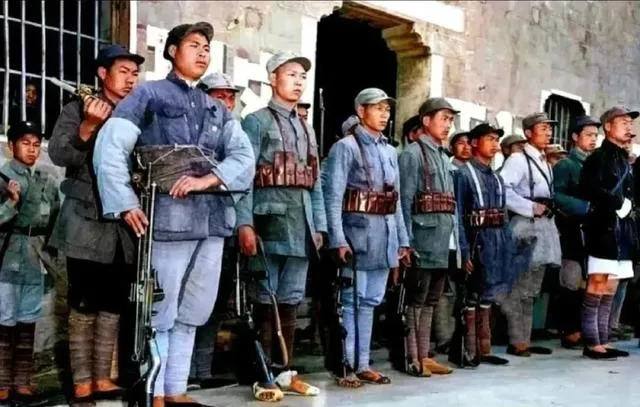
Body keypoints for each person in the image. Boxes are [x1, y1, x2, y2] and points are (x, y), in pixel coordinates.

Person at [91, 22, 254, 407]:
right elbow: (111, 146)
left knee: (194, 310)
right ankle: (154, 394)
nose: (202, 53)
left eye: (207, 47)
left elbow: (244, 156)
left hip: (212, 222)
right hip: (167, 219)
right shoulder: (148, 94)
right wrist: (126, 202)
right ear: (171, 51)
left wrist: (209, 179)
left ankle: (176, 390)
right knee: (160, 311)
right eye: (194, 45)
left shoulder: (216, 108)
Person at [48, 44, 144, 406]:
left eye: (135, 74)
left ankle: (104, 379)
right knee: (84, 302)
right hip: (86, 222)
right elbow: (60, 154)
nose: (130, 80)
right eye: (123, 71)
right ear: (103, 74)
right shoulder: (77, 109)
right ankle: (82, 384)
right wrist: (88, 126)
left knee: (113, 302)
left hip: (123, 226)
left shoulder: (136, 115)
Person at [235, 51, 326, 401]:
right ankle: (263, 376)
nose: (298, 81)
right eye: (291, 74)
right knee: (265, 299)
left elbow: (314, 180)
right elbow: (244, 177)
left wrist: (318, 225)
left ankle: (285, 372)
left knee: (290, 300)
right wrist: (245, 223)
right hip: (268, 223)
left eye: (302, 76)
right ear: (273, 79)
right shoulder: (255, 122)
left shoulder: (306, 127)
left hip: (300, 226)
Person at [323, 89, 409, 387]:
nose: (384, 114)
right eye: (377, 108)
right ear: (361, 111)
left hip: (383, 235)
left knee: (371, 301)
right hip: (356, 235)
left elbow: (395, 201)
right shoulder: (345, 147)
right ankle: (346, 365)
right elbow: (333, 197)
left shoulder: (390, 151)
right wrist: (338, 239)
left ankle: (363, 364)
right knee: (351, 300)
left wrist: (402, 240)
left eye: (387, 109)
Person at [398, 97, 460, 377]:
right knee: (415, 301)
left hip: (441, 240)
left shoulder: (443, 156)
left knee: (431, 301)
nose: (448, 125)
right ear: (426, 121)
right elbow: (404, 201)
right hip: (421, 239)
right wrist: (405, 242)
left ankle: (424, 354)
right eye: (443, 119)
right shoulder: (412, 154)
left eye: (450, 120)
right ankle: (413, 358)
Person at [189, 70, 242, 388]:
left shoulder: (235, 135)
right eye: (219, 96)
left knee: (216, 301)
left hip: (224, 225)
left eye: (230, 97)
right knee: (189, 299)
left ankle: (203, 370)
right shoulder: (192, 129)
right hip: (193, 226)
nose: (226, 103)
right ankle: (184, 372)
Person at [0, 121, 60, 406]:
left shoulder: (45, 179)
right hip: (7, 258)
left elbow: (54, 218)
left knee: (27, 321)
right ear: (11, 146)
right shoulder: (2, 177)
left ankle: (22, 382)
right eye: (25, 143)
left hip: (35, 257)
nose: (32, 149)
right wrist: (11, 203)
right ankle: (1, 384)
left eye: (36, 144)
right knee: (4, 321)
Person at [499, 112, 561, 357]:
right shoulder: (518, 159)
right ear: (528, 133)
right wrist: (529, 207)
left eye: (549, 128)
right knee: (519, 286)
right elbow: (503, 189)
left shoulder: (544, 161)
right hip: (525, 226)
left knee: (532, 288)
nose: (548, 132)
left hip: (544, 226)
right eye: (542, 128)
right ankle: (517, 340)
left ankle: (525, 337)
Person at [579, 106, 638, 360]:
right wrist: (617, 203)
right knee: (597, 283)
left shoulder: (624, 158)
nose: (629, 127)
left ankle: (603, 339)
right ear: (608, 127)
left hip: (622, 231)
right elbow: (588, 188)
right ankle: (592, 343)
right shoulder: (599, 157)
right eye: (623, 122)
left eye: (630, 123)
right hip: (604, 228)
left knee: (612, 286)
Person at [454, 122, 515, 366]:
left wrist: (507, 246)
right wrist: (463, 250)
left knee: (488, 295)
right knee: (471, 295)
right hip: (476, 241)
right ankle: (469, 350)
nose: (494, 144)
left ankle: (484, 348)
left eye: (496, 139)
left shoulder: (497, 177)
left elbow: (503, 215)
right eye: (489, 139)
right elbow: (458, 215)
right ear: (474, 143)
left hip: (496, 241)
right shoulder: (463, 174)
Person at [552, 116, 599, 349]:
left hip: (591, 231)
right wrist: (585, 206)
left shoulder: (594, 165)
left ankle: (584, 329)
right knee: (570, 282)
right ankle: (569, 330)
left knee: (587, 283)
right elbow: (556, 195)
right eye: (589, 135)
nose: (593, 139)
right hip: (570, 230)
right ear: (575, 137)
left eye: (595, 135)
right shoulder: (566, 165)